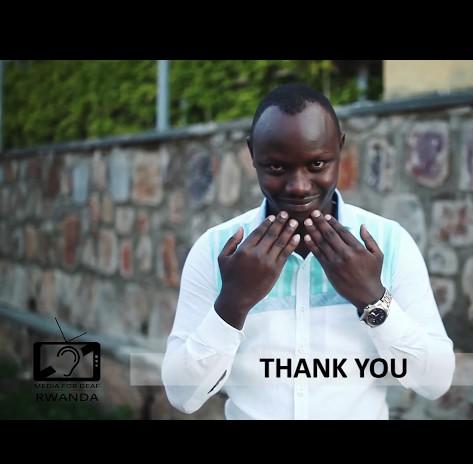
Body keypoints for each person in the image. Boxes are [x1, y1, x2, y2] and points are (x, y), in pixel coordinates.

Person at [161, 83, 455, 419]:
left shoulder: (389, 243)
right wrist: (233, 303)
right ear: (252, 154)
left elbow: (435, 382)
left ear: (340, 148)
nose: (299, 186)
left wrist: (373, 300)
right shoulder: (218, 250)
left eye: (317, 164)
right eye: (276, 167)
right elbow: (182, 396)